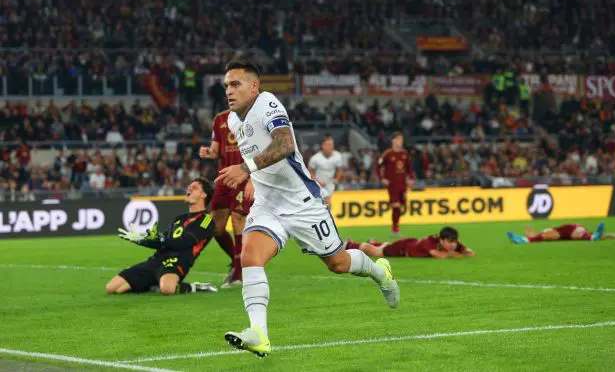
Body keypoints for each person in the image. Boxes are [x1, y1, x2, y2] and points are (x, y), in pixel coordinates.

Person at [215, 60, 400, 358]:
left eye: (235, 84)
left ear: (254, 86)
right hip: (267, 204)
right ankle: (259, 334)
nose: (229, 90)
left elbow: (285, 145)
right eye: (226, 85)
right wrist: (252, 179)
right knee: (250, 255)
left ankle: (380, 272)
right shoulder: (234, 121)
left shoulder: (267, 104)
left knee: (338, 263)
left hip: (301, 202)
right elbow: (258, 155)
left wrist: (246, 168)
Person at [105, 178, 218, 295]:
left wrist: (161, 239)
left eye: (194, 187)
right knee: (112, 288)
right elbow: (163, 243)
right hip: (157, 260)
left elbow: (185, 242)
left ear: (203, 195)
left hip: (176, 262)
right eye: (189, 186)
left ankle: (195, 287)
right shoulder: (179, 219)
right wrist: (142, 240)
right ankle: (153, 285)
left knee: (167, 289)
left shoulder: (206, 221)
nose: (189, 188)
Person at [199, 108, 253, 288]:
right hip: (224, 177)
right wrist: (208, 152)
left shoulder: (252, 115)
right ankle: (237, 262)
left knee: (238, 219)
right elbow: (215, 151)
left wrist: (252, 179)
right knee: (216, 227)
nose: (231, 93)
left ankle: (239, 274)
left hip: (244, 175)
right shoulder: (219, 118)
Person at [345, 227, 475, 259]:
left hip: (411, 243)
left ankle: (374, 242)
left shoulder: (454, 244)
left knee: (383, 246)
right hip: (403, 248)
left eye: (454, 242)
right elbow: (439, 255)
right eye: (450, 242)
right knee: (375, 252)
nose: (453, 245)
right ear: (441, 240)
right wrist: (457, 255)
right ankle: (351, 245)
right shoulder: (429, 241)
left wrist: (462, 251)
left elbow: (470, 253)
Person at [377, 132, 415, 237]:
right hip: (392, 185)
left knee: (401, 208)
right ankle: (395, 230)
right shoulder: (387, 154)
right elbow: (378, 166)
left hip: (403, 185)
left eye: (401, 139)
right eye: (398, 139)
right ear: (393, 140)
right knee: (396, 207)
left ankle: (395, 226)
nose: (400, 141)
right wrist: (382, 179)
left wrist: (411, 178)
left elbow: (409, 169)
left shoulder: (405, 154)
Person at [507, 223, 615, 244]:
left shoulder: (550, 232)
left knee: (544, 235)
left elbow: (538, 235)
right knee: (543, 236)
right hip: (567, 232)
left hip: (568, 229)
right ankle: (523, 239)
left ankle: (523, 240)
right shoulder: (550, 232)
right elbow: (537, 235)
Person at [308, 135, 344, 206]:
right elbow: (309, 172)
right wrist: (317, 182)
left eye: (332, 144)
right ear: (323, 146)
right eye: (329, 145)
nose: (331, 147)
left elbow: (340, 170)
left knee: (326, 205)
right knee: (328, 202)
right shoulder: (315, 158)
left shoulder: (338, 156)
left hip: (331, 185)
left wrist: (337, 179)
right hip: (320, 185)